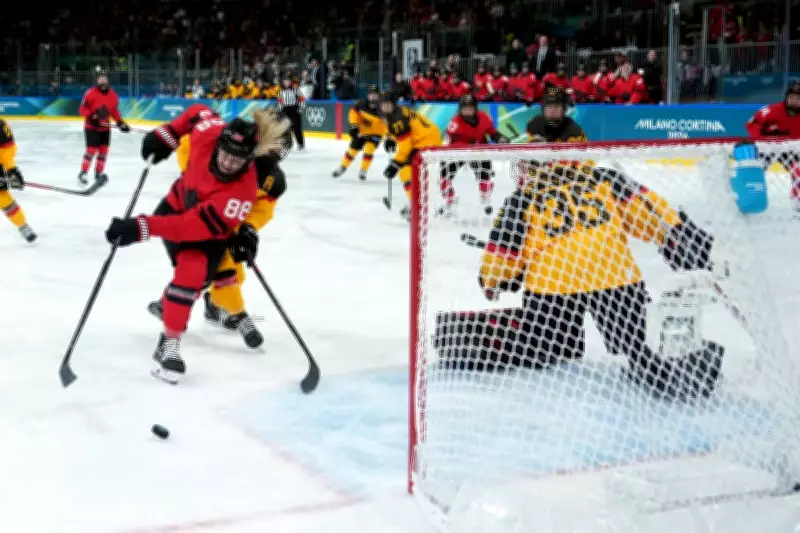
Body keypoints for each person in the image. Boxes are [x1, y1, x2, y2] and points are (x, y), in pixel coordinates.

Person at [103, 104, 285, 384]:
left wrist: (140, 227)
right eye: (226, 154)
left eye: (238, 161)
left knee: (195, 275)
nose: (228, 164)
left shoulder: (242, 192)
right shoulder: (208, 132)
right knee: (194, 276)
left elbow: (188, 228)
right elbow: (198, 111)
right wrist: (169, 133)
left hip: (204, 230)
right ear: (219, 141)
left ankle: (169, 337)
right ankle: (174, 315)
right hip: (173, 207)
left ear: (250, 161)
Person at [147, 108, 291, 349]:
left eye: (280, 146)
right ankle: (236, 314)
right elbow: (191, 146)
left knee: (228, 272)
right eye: (274, 143)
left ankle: (206, 306)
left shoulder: (271, 179)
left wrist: (247, 229)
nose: (276, 150)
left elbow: (261, 209)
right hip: (196, 215)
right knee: (217, 272)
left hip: (227, 224)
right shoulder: (229, 149)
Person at [439, 94, 509, 217]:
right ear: (460, 109)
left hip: (478, 150)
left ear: (475, 109)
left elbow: (492, 132)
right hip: (458, 152)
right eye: (464, 109)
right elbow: (452, 142)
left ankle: (485, 196)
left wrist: (500, 138)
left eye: (469, 108)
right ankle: (448, 199)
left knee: (485, 174)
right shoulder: (455, 123)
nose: (467, 111)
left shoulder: (484, 117)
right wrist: (467, 145)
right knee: (445, 174)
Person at [379, 90, 442, 220]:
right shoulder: (397, 112)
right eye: (383, 104)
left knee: (404, 170)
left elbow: (405, 145)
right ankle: (419, 202)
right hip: (426, 138)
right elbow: (395, 130)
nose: (385, 107)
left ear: (393, 104)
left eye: (388, 104)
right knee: (411, 172)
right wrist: (390, 138)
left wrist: (395, 163)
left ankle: (419, 205)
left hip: (424, 142)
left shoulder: (397, 117)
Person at [746, 82, 800, 209]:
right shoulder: (771, 110)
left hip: (791, 150)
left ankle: (798, 202)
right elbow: (751, 124)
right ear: (786, 97)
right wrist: (761, 139)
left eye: (798, 99)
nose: (794, 101)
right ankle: (748, 199)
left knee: (799, 171)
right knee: (754, 170)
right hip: (768, 147)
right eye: (791, 97)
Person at [78, 70, 130, 184]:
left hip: (105, 129)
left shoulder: (113, 95)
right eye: (100, 79)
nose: (102, 81)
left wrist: (120, 123)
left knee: (103, 151)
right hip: (92, 127)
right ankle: (83, 173)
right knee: (91, 150)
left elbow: (114, 111)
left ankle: (98, 173)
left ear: (108, 81)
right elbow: (82, 109)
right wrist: (91, 117)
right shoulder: (90, 93)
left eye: (104, 79)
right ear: (97, 81)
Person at [332, 85, 388, 181]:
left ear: (379, 95)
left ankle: (363, 170)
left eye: (375, 95)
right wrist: (354, 125)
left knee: (369, 149)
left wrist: (389, 136)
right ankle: (342, 167)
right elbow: (353, 113)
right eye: (371, 94)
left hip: (377, 133)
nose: (373, 97)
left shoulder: (384, 106)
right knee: (352, 150)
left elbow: (389, 122)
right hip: (362, 132)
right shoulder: (361, 104)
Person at [0, 119, 36, 243]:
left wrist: (11, 171)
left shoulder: (0, 125)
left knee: (4, 200)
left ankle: (23, 226)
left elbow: (7, 150)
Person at [277, 74, 306, 150]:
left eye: (288, 81)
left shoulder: (296, 89)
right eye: (285, 81)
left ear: (290, 82)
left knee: (296, 127)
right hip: (285, 110)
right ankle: (288, 143)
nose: (286, 82)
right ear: (283, 82)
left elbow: (302, 99)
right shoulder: (280, 91)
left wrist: (301, 108)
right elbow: (280, 101)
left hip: (294, 109)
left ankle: (300, 144)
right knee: (286, 128)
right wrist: (280, 110)